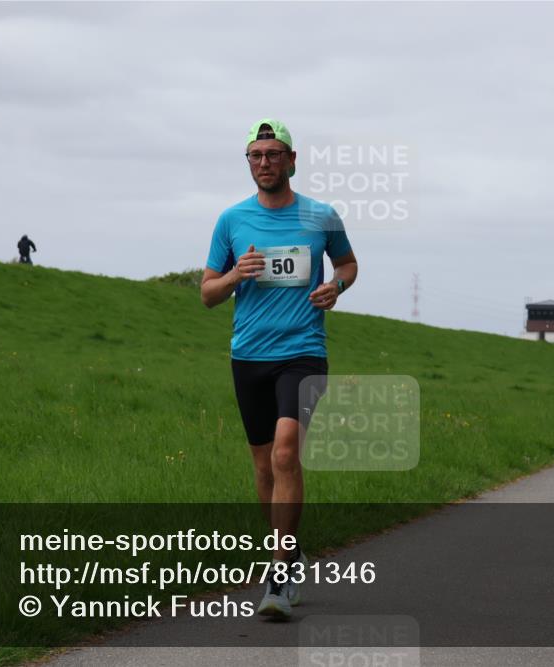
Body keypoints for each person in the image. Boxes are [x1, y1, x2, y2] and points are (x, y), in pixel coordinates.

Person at [201, 119, 358, 618]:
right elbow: (207, 294)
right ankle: (287, 549)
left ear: (293, 159)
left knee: (286, 454)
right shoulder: (231, 221)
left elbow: (349, 264)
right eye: (255, 155)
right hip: (249, 356)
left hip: (303, 351)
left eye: (273, 154)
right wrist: (233, 275)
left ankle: (279, 575)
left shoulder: (321, 216)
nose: (264, 162)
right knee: (263, 464)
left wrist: (337, 286)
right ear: (248, 162)